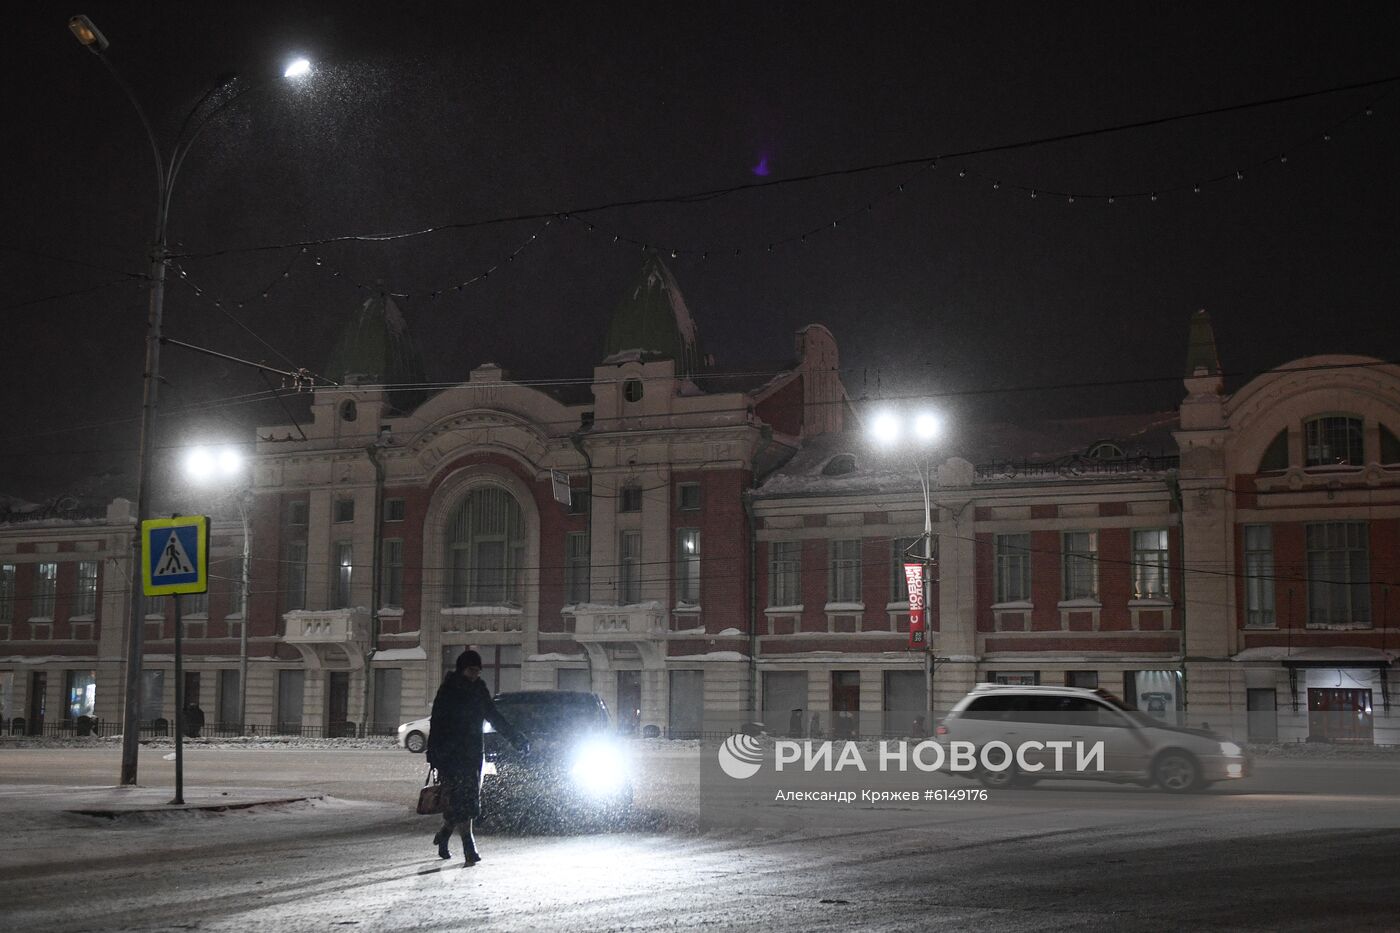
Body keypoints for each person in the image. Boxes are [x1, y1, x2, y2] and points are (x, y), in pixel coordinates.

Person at [426, 649, 529, 865]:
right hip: (451, 755)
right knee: (462, 798)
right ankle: (468, 845)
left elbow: (494, 715)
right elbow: (437, 723)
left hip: (473, 752)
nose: (475, 675)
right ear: (462, 669)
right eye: (471, 670)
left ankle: (445, 833)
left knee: (467, 799)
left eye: (477, 671)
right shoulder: (448, 690)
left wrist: (515, 738)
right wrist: (434, 755)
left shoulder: (479, 690)